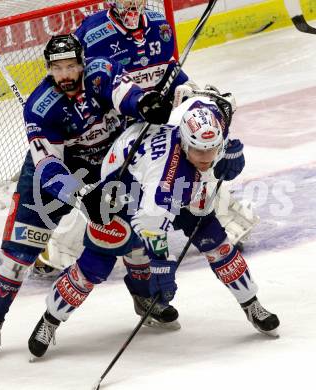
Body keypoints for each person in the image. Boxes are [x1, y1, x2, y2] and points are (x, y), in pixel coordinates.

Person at [27, 94, 280, 359]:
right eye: (198, 151)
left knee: (216, 243)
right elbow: (151, 229)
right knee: (94, 265)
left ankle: (251, 304)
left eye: (212, 149)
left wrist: (231, 149)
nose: (206, 157)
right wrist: (162, 268)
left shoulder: (206, 123)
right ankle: (50, 319)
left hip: (180, 186)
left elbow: (218, 104)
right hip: (122, 194)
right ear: (184, 143)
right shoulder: (163, 182)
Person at [0, 33, 173, 358]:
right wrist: (82, 196)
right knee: (17, 253)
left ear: (82, 64)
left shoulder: (101, 72)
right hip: (50, 178)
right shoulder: (40, 107)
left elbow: (125, 95)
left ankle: (144, 299)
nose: (65, 75)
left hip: (106, 167)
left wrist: (144, 103)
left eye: (70, 66)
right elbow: (49, 166)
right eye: (57, 68)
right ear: (49, 68)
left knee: (131, 235)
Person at [34, 0, 257, 289]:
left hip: (159, 121)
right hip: (115, 128)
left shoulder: (159, 26)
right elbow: (83, 84)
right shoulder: (91, 31)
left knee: (198, 154)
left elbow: (172, 74)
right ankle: (59, 250)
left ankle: (231, 221)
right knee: (108, 192)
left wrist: (188, 93)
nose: (132, 4)